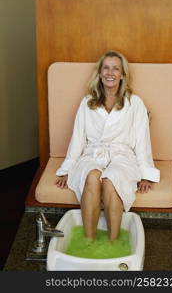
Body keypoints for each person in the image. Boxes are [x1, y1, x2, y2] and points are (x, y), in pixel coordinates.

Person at [55, 50, 160, 241]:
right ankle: (89, 240)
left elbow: (143, 140)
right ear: (100, 73)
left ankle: (113, 242)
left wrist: (146, 175)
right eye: (106, 68)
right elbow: (77, 138)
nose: (110, 73)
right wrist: (67, 169)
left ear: (122, 75)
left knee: (112, 179)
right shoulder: (87, 102)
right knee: (92, 176)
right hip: (93, 153)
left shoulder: (134, 103)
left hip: (123, 155)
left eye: (116, 69)